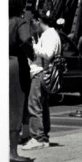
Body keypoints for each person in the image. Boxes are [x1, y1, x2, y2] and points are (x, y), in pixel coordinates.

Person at [21, 10, 62, 151]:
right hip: (45, 73)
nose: (32, 25)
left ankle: (37, 138)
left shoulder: (49, 34)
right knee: (42, 106)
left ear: (38, 20)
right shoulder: (51, 33)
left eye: (33, 22)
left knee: (34, 106)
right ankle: (43, 137)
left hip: (40, 73)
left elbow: (48, 53)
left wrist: (32, 47)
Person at [9, 0, 34, 162]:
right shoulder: (20, 22)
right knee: (15, 109)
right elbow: (25, 40)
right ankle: (13, 152)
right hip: (15, 66)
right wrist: (31, 53)